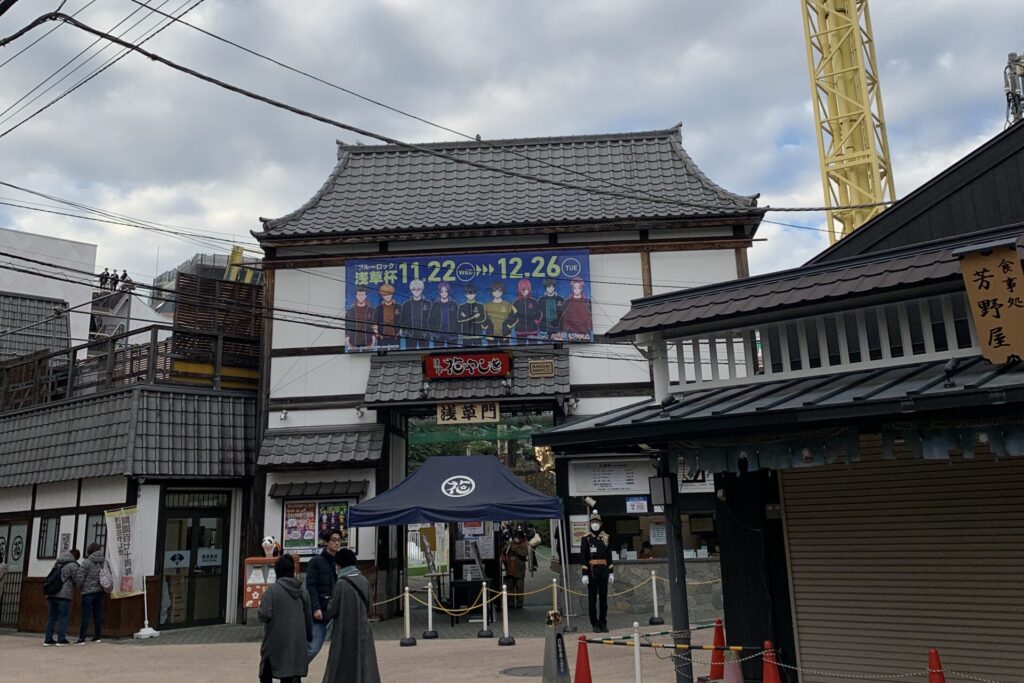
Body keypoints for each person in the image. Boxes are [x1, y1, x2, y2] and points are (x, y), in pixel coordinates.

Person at [321, 548, 380, 683]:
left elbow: (332, 610)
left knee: (342, 666)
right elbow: (370, 605)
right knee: (364, 663)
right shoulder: (364, 580)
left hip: (344, 632)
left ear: (339, 565)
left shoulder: (341, 584)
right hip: (363, 630)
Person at [258, 555, 312, 683]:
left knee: (266, 672)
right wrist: (308, 636)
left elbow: (264, 614)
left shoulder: (272, 590)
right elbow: (308, 616)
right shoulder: (302, 590)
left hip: (275, 642)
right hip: (297, 642)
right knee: (292, 674)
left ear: (277, 571)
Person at [306, 529, 342, 661]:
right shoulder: (316, 562)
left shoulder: (340, 562)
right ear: (326, 542)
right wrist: (315, 607)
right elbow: (311, 586)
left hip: (336, 610)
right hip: (321, 609)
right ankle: (294, 672)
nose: (337, 543)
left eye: (339, 540)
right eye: (333, 540)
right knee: (313, 647)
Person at [580, 511, 613, 633]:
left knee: (603, 600)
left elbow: (608, 555)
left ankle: (603, 623)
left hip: (603, 571)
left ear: (601, 523)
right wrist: (584, 573)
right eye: (593, 522)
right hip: (592, 573)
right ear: (590, 523)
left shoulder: (605, 537)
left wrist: (611, 571)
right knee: (592, 599)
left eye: (597, 522)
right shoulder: (586, 538)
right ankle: (594, 623)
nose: (595, 524)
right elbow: (583, 556)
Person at [43, 548, 81, 646]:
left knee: (51, 617)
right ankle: (61, 639)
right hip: (63, 595)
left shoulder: (58, 562)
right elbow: (76, 580)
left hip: (52, 593)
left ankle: (48, 639)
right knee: (63, 617)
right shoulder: (73, 565)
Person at [77, 543, 106, 644]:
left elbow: (80, 577)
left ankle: (82, 638)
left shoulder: (86, 562)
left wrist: (80, 586)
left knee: (85, 615)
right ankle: (97, 636)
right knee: (97, 614)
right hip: (99, 591)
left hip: (88, 592)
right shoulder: (103, 562)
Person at [399, 278, 432, 349]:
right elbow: (402, 320)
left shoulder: (428, 303)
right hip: (410, 335)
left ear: (422, 289)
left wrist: (429, 332)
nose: (416, 291)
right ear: (411, 290)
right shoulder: (406, 304)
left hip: (425, 335)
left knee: (426, 355)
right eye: (414, 289)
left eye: (418, 289)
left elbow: (432, 319)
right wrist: (405, 331)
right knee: (410, 355)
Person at [427, 282, 459, 347]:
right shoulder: (435, 305)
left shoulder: (454, 304)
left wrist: (456, 332)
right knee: (437, 355)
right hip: (438, 336)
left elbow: (458, 319)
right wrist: (434, 333)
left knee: (453, 354)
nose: (444, 293)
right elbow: (430, 320)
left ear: (448, 292)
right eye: (442, 291)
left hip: (452, 335)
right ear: (439, 292)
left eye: (446, 291)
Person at [503, 530, 530, 609]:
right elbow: (504, 550)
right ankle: (510, 602)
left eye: (518, 537)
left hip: (519, 570)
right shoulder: (510, 544)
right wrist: (509, 546)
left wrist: (515, 549)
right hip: (510, 569)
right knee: (510, 587)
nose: (516, 539)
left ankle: (519, 603)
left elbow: (524, 554)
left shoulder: (524, 545)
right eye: (515, 537)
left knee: (519, 587)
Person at [371, 284, 400, 349]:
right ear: (382, 296)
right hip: (382, 338)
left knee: (397, 355)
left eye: (389, 294)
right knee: (381, 356)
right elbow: (374, 324)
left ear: (392, 294)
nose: (387, 297)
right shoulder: (378, 308)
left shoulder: (398, 307)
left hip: (395, 338)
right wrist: (378, 334)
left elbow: (403, 321)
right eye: (385, 295)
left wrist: (399, 333)